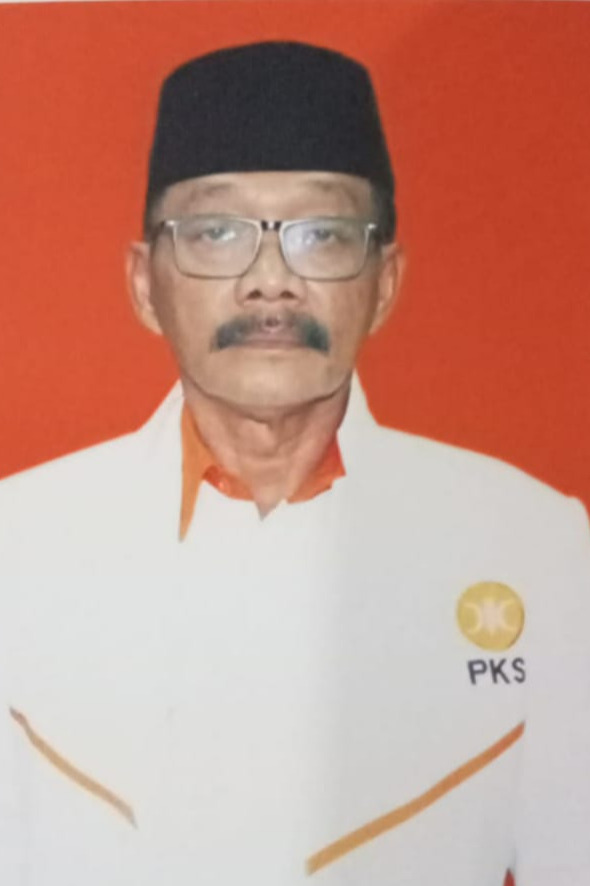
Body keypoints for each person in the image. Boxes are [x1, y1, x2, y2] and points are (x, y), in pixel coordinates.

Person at [0, 40, 589, 886]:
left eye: (321, 235)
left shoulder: (535, 544)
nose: (269, 282)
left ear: (385, 284)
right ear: (144, 284)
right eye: (215, 232)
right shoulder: (18, 542)